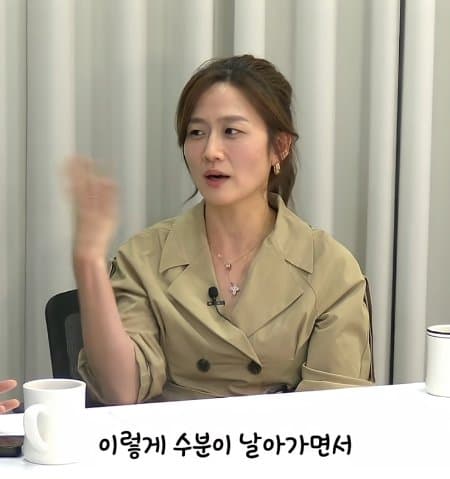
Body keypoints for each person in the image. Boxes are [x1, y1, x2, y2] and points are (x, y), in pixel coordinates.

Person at [67, 54, 374, 405]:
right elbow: (122, 391)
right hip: (173, 438)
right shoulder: (144, 257)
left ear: (280, 147)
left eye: (232, 132)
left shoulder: (330, 268)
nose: (210, 151)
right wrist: (89, 260)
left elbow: (335, 412)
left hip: (289, 440)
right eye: (196, 133)